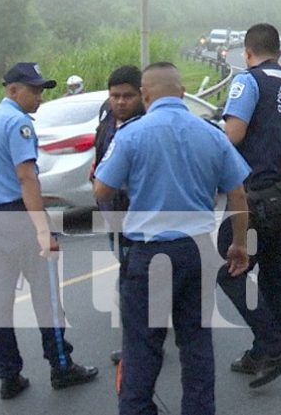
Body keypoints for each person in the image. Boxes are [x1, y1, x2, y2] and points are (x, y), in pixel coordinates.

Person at [93, 62, 251, 415]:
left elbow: (102, 188)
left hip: (149, 254)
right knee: (196, 343)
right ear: (182, 93)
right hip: (196, 250)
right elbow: (238, 194)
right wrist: (239, 244)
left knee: (141, 346)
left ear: (145, 95)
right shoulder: (212, 134)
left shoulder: (131, 135)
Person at [0, 62, 98, 400]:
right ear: (13, 89)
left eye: (42, 89)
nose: (40, 96)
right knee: (48, 299)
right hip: (19, 219)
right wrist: (43, 230)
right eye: (35, 89)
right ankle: (61, 366)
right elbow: (26, 177)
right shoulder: (18, 123)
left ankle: (9, 376)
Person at [217, 23, 281, 388]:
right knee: (275, 273)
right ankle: (263, 351)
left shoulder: (248, 81)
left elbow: (233, 134)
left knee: (228, 268)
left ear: (247, 52)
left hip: (255, 196)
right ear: (280, 52)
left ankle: (274, 346)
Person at [90, 64, 145, 365]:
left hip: (138, 216)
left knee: (131, 284)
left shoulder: (148, 123)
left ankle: (138, 346)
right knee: (129, 276)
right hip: (112, 211)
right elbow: (102, 143)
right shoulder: (107, 113)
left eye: (127, 96)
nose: (120, 102)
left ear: (142, 95)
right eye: (115, 96)